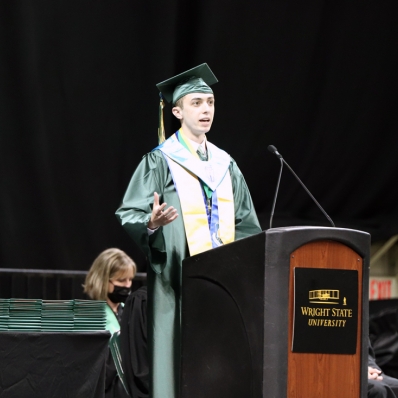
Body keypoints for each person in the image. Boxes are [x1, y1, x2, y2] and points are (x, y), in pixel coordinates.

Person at [116, 63, 262, 398]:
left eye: (210, 102)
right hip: (175, 281)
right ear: (177, 111)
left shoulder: (226, 165)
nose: (206, 109)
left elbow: (247, 225)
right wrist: (151, 224)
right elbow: (131, 211)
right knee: (178, 363)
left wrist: (235, 266)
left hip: (222, 285)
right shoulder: (160, 161)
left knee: (220, 365)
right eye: (196, 103)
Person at [84, 248, 137, 398]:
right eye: (121, 280)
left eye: (130, 279)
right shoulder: (89, 315)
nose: (127, 286)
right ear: (102, 279)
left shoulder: (129, 312)